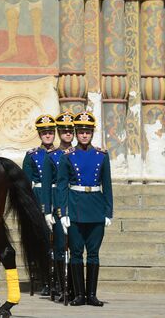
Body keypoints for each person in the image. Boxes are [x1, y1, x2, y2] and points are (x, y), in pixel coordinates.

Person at [56, 111, 113, 307]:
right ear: (76, 133)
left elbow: (107, 185)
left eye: (87, 132)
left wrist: (108, 211)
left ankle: (92, 295)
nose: (84, 135)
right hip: (75, 208)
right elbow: (62, 186)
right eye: (81, 132)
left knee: (94, 254)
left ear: (92, 133)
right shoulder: (68, 156)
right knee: (77, 253)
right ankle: (79, 295)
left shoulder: (102, 156)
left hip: (96, 207)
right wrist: (62, 212)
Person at [22, 114, 57, 296]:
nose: (48, 136)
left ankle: (57, 280)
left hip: (55, 196)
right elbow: (25, 184)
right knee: (41, 240)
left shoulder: (61, 154)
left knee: (56, 242)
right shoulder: (32, 155)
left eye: (50, 132)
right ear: (39, 135)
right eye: (44, 133)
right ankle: (44, 279)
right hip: (37, 198)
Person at [43, 110, 74, 300]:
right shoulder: (51, 155)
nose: (67, 134)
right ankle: (61, 287)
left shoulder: (78, 153)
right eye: (63, 131)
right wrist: (48, 210)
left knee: (74, 248)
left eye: (70, 130)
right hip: (58, 204)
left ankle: (73, 287)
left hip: (76, 203)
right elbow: (46, 186)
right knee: (60, 246)